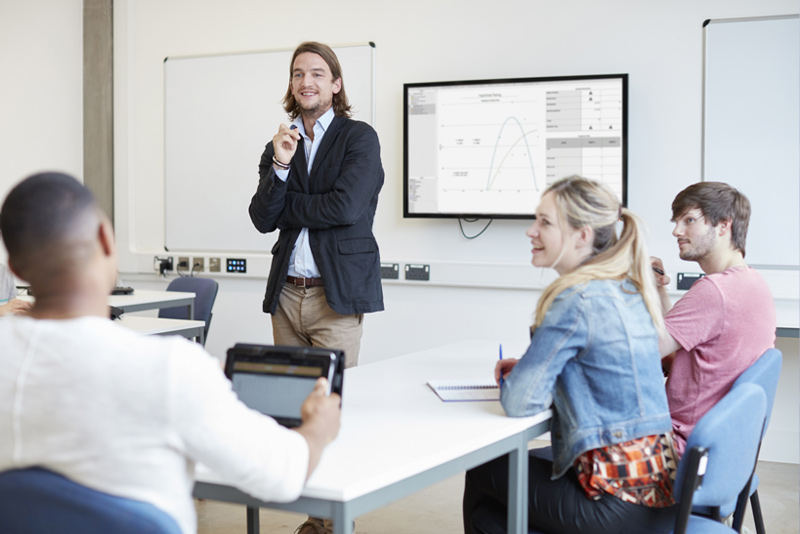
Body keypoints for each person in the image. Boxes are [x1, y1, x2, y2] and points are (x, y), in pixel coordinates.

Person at [0, 172, 341, 534]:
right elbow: (281, 475)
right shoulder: (169, 370)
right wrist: (318, 428)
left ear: (15, 269)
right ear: (105, 239)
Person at [463, 176, 677, 534]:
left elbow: (520, 402)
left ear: (583, 235)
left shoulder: (576, 298)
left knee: (485, 469)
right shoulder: (626, 285)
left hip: (615, 503)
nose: (531, 231)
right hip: (658, 489)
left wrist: (514, 378)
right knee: (497, 499)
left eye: (545, 222)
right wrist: (537, 368)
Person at [249, 41, 384, 370]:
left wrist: (288, 207)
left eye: (317, 73)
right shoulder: (280, 146)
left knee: (332, 402)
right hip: (287, 295)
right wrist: (281, 166)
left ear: (336, 85)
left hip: (335, 297)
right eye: (298, 74)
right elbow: (263, 218)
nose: (306, 81)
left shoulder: (359, 138)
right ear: (292, 86)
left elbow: (345, 209)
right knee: (288, 402)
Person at [652, 181, 776, 456]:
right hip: (721, 458)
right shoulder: (752, 283)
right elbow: (677, 356)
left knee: (543, 469)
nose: (676, 231)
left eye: (689, 220)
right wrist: (657, 290)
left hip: (672, 455)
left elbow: (640, 352)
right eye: (677, 221)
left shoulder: (715, 291)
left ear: (723, 225)